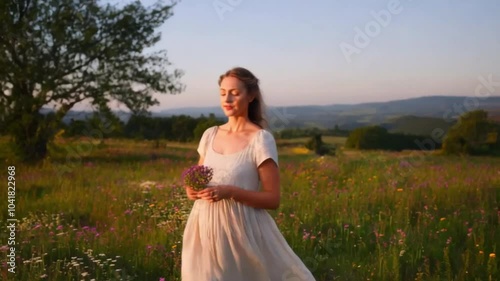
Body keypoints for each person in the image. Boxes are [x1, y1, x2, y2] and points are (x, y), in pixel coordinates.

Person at [181, 67, 316, 281]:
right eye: (223, 92)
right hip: (203, 228)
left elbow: (273, 199)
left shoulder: (261, 140)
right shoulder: (209, 135)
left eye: (235, 92)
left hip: (241, 232)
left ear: (251, 96)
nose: (227, 98)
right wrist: (192, 190)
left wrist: (231, 192)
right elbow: (198, 180)